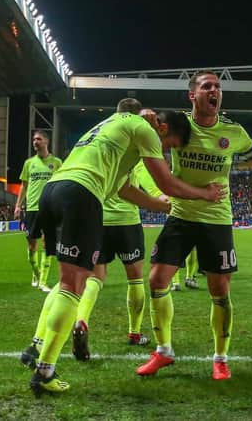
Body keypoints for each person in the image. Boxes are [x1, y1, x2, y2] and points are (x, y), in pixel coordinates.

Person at [22, 105, 225, 396]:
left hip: (54, 191)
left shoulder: (113, 129)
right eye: (169, 146)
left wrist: (166, 206)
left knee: (66, 280)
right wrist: (206, 194)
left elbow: (125, 191)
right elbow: (164, 181)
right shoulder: (146, 130)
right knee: (73, 285)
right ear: (164, 129)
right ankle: (45, 371)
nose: (164, 151)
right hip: (82, 194)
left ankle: (37, 346)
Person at [136, 70, 252, 381]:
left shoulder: (233, 131)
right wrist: (145, 115)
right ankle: (163, 351)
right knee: (157, 279)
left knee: (220, 289)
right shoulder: (178, 123)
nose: (215, 91)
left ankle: (220, 358)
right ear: (192, 95)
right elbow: (147, 122)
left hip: (216, 219)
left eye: (218, 87)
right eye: (207, 86)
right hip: (181, 214)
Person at [71, 98, 173, 359]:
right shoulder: (136, 149)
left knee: (95, 277)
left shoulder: (104, 142)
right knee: (135, 277)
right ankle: (135, 333)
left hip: (99, 220)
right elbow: (153, 185)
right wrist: (163, 200)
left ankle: (81, 320)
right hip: (127, 221)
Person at [14, 130, 62, 292]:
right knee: (31, 245)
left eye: (39, 139)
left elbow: (61, 184)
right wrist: (18, 205)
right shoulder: (29, 163)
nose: (35, 141)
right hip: (32, 208)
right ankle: (36, 273)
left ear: (46, 142)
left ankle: (43, 281)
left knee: (47, 244)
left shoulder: (56, 163)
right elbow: (24, 186)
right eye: (34, 139)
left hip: (50, 208)